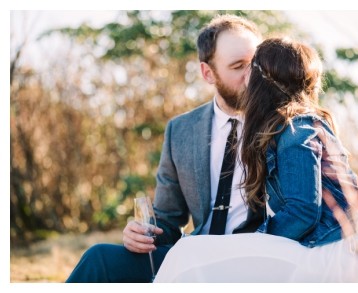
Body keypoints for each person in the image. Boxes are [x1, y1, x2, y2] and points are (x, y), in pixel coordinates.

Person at [152, 37, 358, 282]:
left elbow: (303, 211)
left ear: (264, 81)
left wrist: (257, 239)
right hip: (313, 247)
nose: (245, 76)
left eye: (250, 67)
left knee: (188, 251)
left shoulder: (297, 129)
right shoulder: (286, 127)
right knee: (189, 253)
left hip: (324, 255)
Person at [66, 14, 264, 282]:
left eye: (255, 63)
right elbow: (168, 220)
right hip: (193, 259)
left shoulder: (280, 126)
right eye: (238, 66)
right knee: (99, 258)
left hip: (253, 261)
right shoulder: (180, 131)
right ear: (208, 73)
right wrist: (141, 232)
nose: (251, 75)